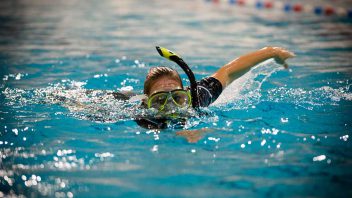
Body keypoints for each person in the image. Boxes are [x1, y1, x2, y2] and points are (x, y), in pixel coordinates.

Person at [133, 46, 295, 129]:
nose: (170, 106)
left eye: (177, 98)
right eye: (159, 100)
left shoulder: (197, 97)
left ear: (187, 94)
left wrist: (270, 52)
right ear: (147, 102)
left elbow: (228, 72)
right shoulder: (140, 114)